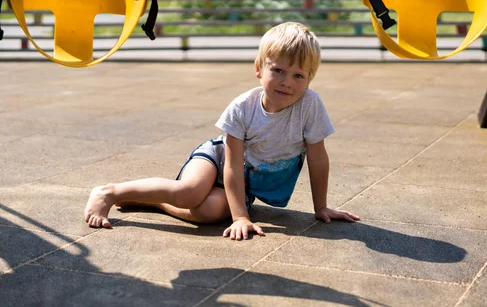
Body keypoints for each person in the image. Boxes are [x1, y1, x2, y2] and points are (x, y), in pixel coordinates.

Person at [84, 22, 360, 240]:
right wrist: (241, 217)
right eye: (278, 70)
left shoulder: (310, 106)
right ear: (258, 69)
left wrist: (321, 207)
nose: (287, 82)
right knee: (190, 193)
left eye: (298, 75)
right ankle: (110, 192)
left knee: (210, 211)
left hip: (247, 179)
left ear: (310, 79)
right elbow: (231, 164)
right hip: (218, 159)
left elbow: (318, 159)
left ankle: (156, 201)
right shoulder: (242, 107)